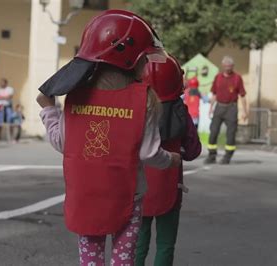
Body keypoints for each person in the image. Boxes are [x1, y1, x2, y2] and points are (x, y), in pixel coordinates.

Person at [36, 10, 181, 266]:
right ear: (127, 57)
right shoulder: (143, 98)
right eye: (144, 58)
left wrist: (49, 111)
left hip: (87, 193)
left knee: (91, 259)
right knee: (123, 259)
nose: (146, 65)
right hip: (129, 195)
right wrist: (171, 160)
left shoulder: (76, 95)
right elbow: (148, 154)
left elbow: (63, 143)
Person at [135, 55, 201, 266]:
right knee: (165, 245)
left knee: (137, 245)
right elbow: (193, 151)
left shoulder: (134, 110)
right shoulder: (181, 112)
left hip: (136, 189)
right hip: (170, 188)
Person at [205, 56, 248, 165]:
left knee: (231, 133)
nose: (228, 68)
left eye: (230, 66)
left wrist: (245, 111)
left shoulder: (237, 78)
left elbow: (242, 96)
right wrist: (210, 109)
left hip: (231, 108)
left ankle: (227, 156)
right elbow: (214, 94)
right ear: (223, 66)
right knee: (213, 131)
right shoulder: (218, 77)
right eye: (226, 66)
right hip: (219, 107)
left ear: (233, 66)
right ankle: (211, 155)